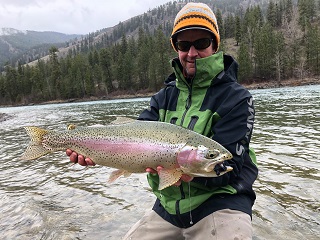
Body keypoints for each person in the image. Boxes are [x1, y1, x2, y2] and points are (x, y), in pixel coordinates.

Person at [67, 2, 258, 239]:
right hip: (168, 207)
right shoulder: (163, 97)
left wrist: (188, 173)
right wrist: (92, 152)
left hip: (221, 203)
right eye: (183, 44)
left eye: (201, 43)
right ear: (176, 47)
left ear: (215, 44)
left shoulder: (237, 98)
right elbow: (130, 138)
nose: (192, 53)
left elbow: (230, 168)